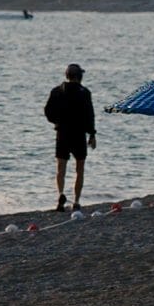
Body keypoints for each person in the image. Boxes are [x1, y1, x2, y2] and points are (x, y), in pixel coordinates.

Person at [45, 64, 98, 209]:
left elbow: (48, 111)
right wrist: (92, 134)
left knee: (61, 168)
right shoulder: (84, 92)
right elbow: (89, 115)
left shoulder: (56, 91)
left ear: (67, 75)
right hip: (78, 134)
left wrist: (57, 121)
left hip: (62, 133)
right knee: (79, 169)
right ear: (79, 77)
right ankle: (76, 201)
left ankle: (60, 194)